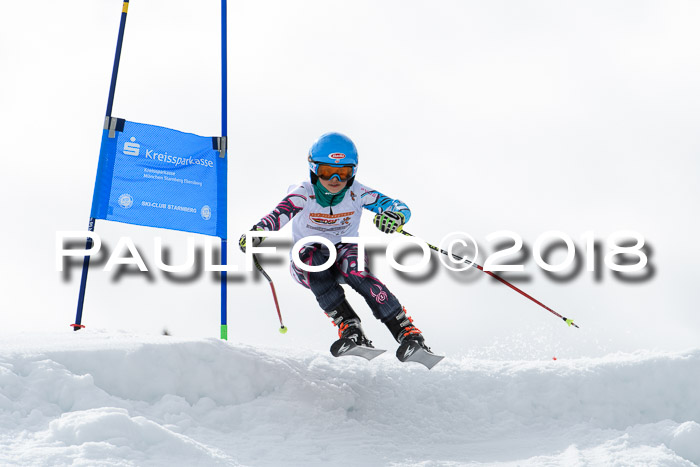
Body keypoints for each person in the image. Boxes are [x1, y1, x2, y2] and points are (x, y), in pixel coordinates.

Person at [239, 132, 435, 362]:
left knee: (355, 267)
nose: (334, 179)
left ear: (353, 172)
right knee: (311, 259)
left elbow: (398, 206)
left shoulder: (357, 193)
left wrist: (396, 216)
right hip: (308, 263)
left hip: (345, 254)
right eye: (325, 171)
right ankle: (350, 327)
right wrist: (258, 233)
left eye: (343, 172)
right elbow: (279, 214)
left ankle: (407, 332)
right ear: (313, 169)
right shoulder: (303, 193)